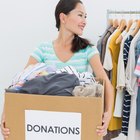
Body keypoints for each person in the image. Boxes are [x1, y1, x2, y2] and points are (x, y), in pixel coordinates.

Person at [1, 0, 114, 139]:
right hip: (45, 123)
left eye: (86, 16)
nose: (84, 21)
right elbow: (19, 83)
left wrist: (108, 113)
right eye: (80, 15)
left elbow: (105, 82)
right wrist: (5, 116)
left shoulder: (87, 50)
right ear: (63, 17)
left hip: (73, 125)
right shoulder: (43, 49)